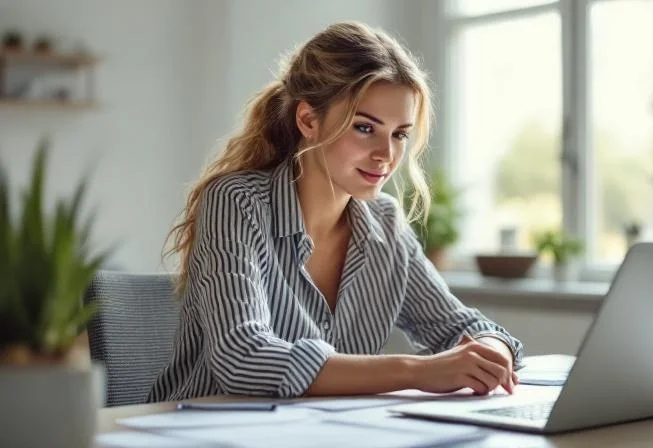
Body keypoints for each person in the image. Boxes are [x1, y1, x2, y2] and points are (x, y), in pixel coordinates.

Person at [148, 21, 523, 402]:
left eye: (399, 134)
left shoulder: (385, 224)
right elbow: (242, 357)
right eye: (364, 128)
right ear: (308, 120)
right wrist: (418, 371)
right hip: (204, 433)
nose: (387, 155)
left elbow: (464, 326)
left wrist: (491, 353)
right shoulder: (237, 202)